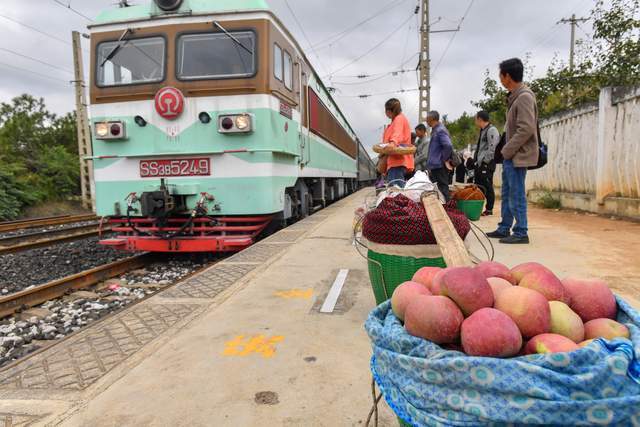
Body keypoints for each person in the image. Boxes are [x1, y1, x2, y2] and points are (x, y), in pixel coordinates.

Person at [487, 58, 539, 244]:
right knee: (508, 192)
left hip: (518, 156)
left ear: (507, 76)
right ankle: (504, 228)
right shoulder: (515, 96)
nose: (500, 79)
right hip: (512, 156)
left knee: (516, 193)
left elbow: (526, 128)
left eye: (501, 75)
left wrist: (507, 150)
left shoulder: (524, 97)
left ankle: (521, 232)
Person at [382, 98, 414, 188]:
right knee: (395, 191)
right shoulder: (397, 119)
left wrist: (393, 143)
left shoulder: (399, 119)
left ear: (388, 111)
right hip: (395, 162)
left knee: (397, 192)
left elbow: (397, 133)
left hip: (397, 162)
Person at [474, 110, 500, 216]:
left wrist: (485, 161)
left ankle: (489, 209)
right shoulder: (483, 130)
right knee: (480, 186)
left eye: (476, 118)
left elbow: (492, 147)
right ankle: (479, 208)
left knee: (488, 186)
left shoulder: (491, 130)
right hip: (480, 163)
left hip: (487, 163)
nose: (475, 121)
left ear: (480, 119)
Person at [425, 111, 453, 201]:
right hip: (435, 165)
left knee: (443, 189)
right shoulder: (435, 130)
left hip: (439, 166)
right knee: (438, 190)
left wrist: (443, 159)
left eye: (427, 118)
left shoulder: (440, 130)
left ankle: (448, 211)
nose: (426, 120)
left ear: (431, 119)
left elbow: (448, 145)